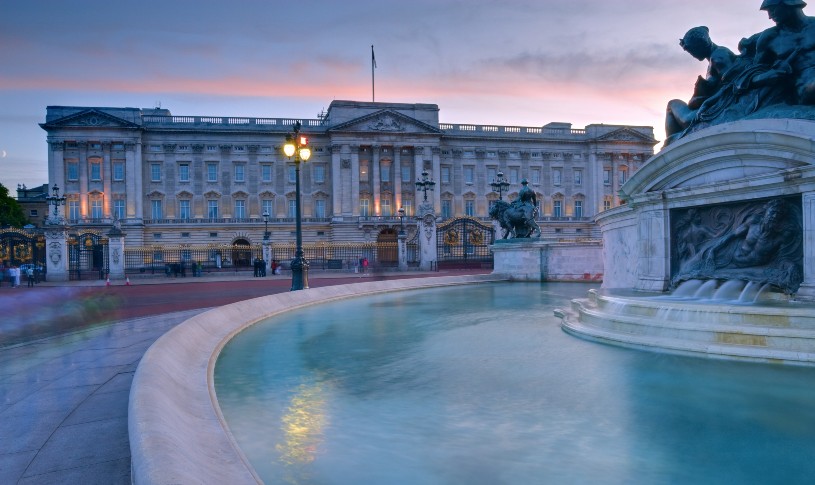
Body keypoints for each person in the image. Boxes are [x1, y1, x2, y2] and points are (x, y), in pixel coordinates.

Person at [665, 26, 737, 144]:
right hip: (709, 108)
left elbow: (731, 87)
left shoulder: (718, 57)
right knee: (674, 103)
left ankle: (672, 145)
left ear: (702, 45)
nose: (692, 54)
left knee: (672, 104)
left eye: (692, 50)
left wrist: (706, 103)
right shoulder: (715, 56)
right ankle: (673, 144)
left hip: (711, 111)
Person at [744, 0, 815, 105]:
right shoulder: (769, 37)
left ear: (789, 3)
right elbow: (753, 73)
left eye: (773, 9)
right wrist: (767, 76)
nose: (770, 16)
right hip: (803, 86)